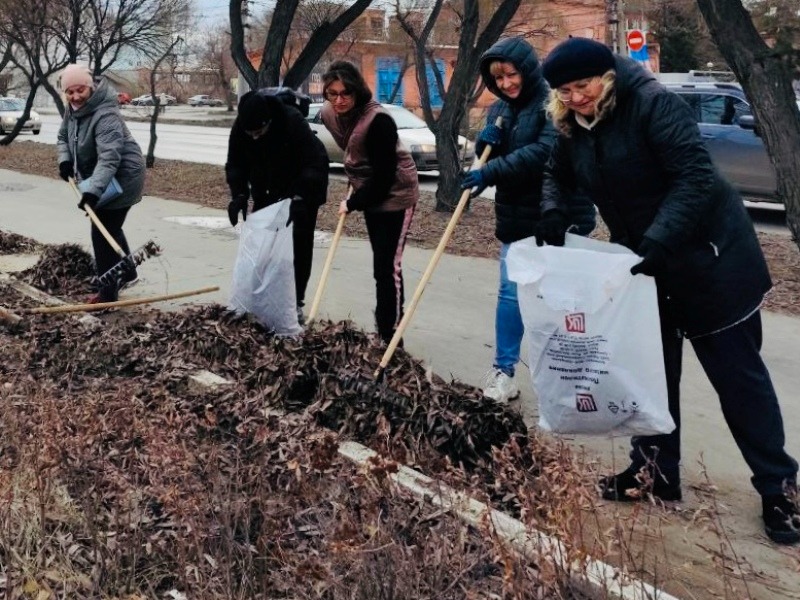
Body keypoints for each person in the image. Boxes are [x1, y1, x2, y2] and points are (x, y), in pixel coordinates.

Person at [539, 37, 799, 545]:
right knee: (650, 375)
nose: (574, 97)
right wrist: (555, 210)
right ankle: (655, 472)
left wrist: (659, 239)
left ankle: (779, 488)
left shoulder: (654, 104)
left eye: (582, 85)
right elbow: (556, 171)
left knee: (738, 380)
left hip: (711, 258)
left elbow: (694, 177)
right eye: (564, 90)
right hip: (644, 266)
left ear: (606, 76)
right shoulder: (572, 124)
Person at [461, 37, 596, 403]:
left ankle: (570, 380)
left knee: (562, 302)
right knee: (510, 296)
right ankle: (503, 372)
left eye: (510, 74)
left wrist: (490, 173)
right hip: (516, 218)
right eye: (497, 78)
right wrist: (483, 148)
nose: (505, 83)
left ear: (526, 68)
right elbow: (494, 157)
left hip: (560, 217)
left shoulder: (553, 102)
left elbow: (543, 153)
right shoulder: (499, 111)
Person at [319, 60, 419, 345]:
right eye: (332, 93)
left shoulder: (379, 121)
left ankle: (390, 336)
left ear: (357, 92)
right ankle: (385, 329)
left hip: (396, 194)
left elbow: (385, 175)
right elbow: (352, 148)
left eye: (345, 94)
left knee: (388, 268)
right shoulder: (329, 113)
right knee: (380, 266)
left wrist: (353, 202)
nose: (339, 100)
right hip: (370, 190)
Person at [225, 88, 329, 323]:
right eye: (249, 133)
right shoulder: (241, 128)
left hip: (301, 189)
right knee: (261, 245)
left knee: (298, 247)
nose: (254, 137)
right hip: (266, 188)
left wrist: (300, 198)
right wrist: (239, 194)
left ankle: (295, 302)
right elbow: (235, 164)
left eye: (259, 132)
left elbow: (315, 163)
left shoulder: (291, 121)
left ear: (269, 122)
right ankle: (262, 296)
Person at [57, 64, 145, 304]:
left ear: (91, 87)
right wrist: (65, 162)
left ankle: (107, 295)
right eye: (70, 92)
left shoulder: (106, 114)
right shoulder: (73, 110)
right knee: (111, 228)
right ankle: (128, 272)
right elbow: (63, 137)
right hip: (102, 176)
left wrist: (93, 193)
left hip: (124, 177)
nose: (75, 96)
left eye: (80, 90)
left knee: (101, 232)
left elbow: (109, 159)